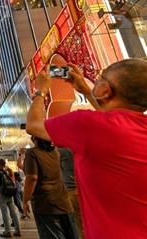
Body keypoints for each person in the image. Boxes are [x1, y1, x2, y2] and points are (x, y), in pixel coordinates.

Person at [26, 60, 147, 239]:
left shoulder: (87, 125)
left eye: (100, 79)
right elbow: (113, 121)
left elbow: (34, 125)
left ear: (106, 90)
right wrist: (86, 91)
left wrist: (40, 91)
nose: (95, 81)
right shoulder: (124, 129)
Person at [22, 136, 78, 239]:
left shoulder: (32, 152)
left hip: (45, 203)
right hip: (64, 200)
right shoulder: (55, 151)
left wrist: (25, 200)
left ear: (34, 138)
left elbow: (32, 178)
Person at [0, 159, 21, 238]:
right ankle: (18, 230)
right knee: (14, 212)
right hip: (10, 194)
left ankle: (7, 231)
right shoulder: (7, 171)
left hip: (2, 194)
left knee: (4, 213)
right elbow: (13, 180)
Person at [58, 148, 83, 238]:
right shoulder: (75, 149)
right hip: (82, 190)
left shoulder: (63, 151)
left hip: (72, 191)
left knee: (78, 226)